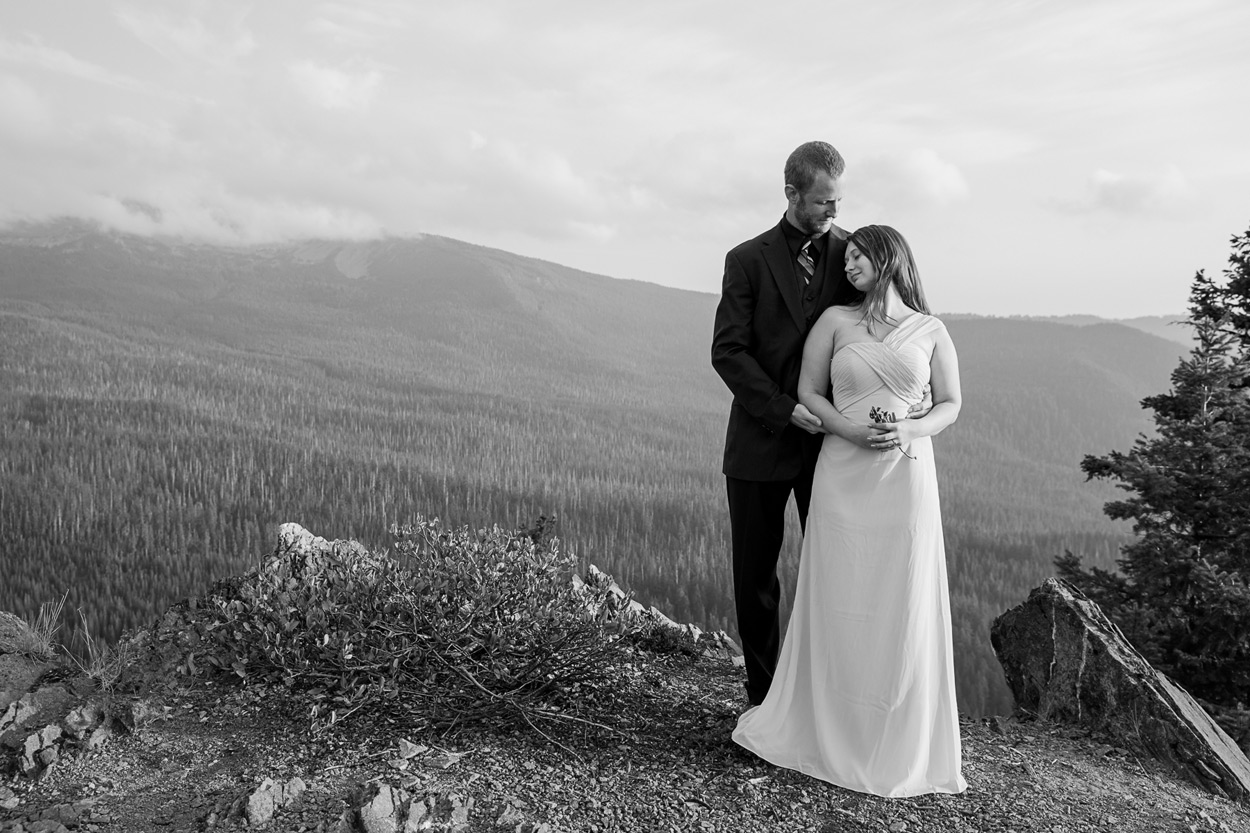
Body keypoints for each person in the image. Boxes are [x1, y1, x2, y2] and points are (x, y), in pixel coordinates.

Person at [732, 224, 967, 797]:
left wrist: (908, 427)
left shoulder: (932, 330)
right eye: (850, 255)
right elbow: (810, 392)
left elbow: (951, 403)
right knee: (840, 590)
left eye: (860, 255)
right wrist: (847, 430)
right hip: (841, 465)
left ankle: (890, 732)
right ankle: (826, 720)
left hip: (905, 473)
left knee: (899, 594)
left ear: (889, 259)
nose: (850, 263)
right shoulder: (834, 321)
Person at [710, 141, 857, 707]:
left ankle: (831, 700)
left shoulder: (853, 255)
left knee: (838, 576)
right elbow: (728, 351)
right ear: (792, 193)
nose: (833, 213)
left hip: (832, 449)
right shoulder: (746, 259)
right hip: (759, 442)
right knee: (756, 581)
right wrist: (781, 408)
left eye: (839, 200)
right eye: (823, 201)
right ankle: (764, 701)